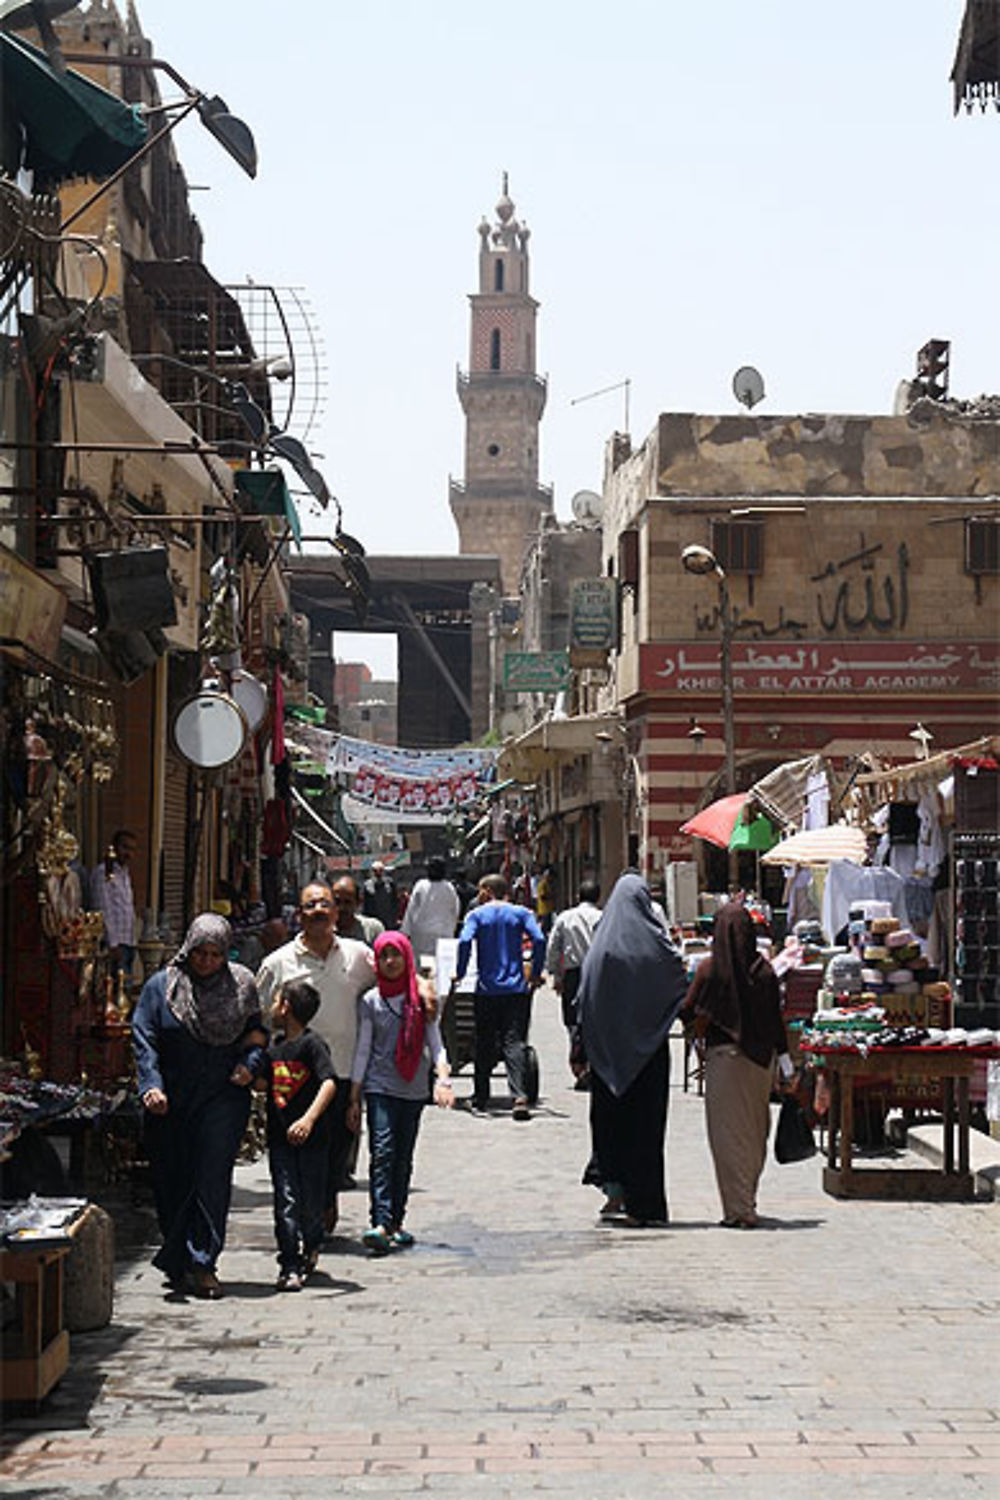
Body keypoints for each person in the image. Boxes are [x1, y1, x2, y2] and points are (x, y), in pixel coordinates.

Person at [132, 914, 266, 1298]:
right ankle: (178, 1259)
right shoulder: (162, 988)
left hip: (222, 1097)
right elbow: (145, 1039)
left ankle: (204, 1262)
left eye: (215, 955)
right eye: (200, 954)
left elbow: (257, 1035)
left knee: (211, 1177)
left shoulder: (242, 986)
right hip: (171, 1101)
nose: (207, 962)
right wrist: (151, 1086)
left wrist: (249, 1066)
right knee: (173, 1179)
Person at [256, 882, 375, 1237]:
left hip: (342, 1073)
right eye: (311, 905)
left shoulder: (358, 956)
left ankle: (324, 1203)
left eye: (326, 904)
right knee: (295, 1153)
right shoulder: (277, 964)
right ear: (300, 915)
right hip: (294, 1079)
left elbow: (392, 978)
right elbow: (258, 1016)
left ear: (337, 913)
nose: (319, 910)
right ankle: (301, 1226)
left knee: (336, 1152)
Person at [576, 871, 686, 1227]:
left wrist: (584, 1046)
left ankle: (616, 1192)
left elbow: (584, 1000)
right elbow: (677, 981)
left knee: (610, 1125)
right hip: (650, 1053)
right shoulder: (658, 947)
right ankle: (648, 1203)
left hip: (607, 1056)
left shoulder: (601, 947)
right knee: (647, 1128)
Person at [679, 902, 794, 1229]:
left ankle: (738, 1207)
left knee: (728, 1138)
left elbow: (686, 1012)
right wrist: (786, 1065)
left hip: (722, 1064)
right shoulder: (765, 972)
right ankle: (747, 1201)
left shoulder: (709, 971)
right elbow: (776, 1023)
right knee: (755, 1134)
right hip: (760, 1064)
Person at [348, 933, 453, 1254]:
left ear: (406, 958)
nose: (390, 962)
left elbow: (435, 1044)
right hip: (379, 1086)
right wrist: (354, 1095)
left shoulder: (422, 1000)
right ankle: (379, 1220)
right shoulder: (370, 1001)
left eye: (396, 955)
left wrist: (443, 1079)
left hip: (413, 1088)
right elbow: (363, 1050)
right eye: (384, 956)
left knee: (403, 1158)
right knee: (382, 1151)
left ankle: (396, 1221)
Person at [263, 978, 337, 1290]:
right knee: (286, 1200)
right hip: (280, 1139)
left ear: (285, 1007)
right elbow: (265, 1084)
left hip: (313, 1141)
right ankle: (289, 1262)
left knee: (310, 1202)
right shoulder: (274, 1047)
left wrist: (309, 1119)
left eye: (276, 1000)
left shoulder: (312, 1044)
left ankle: (312, 1245)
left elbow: (329, 1082)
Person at [453, 873, 545, 1120]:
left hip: (486, 990)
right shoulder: (521, 914)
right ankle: (519, 1096)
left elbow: (463, 941)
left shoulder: (476, 915)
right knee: (514, 1042)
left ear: (486, 890)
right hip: (515, 990)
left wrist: (460, 972)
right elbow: (539, 938)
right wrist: (535, 973)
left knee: (484, 1041)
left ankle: (481, 1097)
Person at [545, 879, 602, 1084]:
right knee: (596, 1020)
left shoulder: (565, 917)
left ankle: (579, 1063)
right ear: (598, 897)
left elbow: (553, 947)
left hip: (573, 975)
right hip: (598, 975)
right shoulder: (604, 917)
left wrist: (555, 975)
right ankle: (592, 1065)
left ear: (578, 897)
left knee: (572, 1021)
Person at [91, 829, 138, 981]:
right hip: (114, 944)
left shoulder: (125, 875)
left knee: (126, 987)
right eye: (125, 847)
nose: (128, 853)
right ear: (115, 848)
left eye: (132, 849)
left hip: (128, 941)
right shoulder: (103, 873)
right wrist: (112, 942)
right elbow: (103, 908)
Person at [402, 856, 460, 972]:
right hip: (443, 933)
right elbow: (455, 910)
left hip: (421, 934)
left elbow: (411, 909)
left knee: (422, 967)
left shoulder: (420, 885)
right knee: (441, 965)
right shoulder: (449, 888)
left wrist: (405, 932)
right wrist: (452, 929)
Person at [333, 874, 384, 947]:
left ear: (358, 903)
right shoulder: (324, 932)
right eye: (337, 902)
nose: (341, 908)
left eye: (347, 902)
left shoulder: (372, 929)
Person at [363, 861, 399, 929]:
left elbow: (395, 901)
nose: (378, 873)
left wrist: (396, 917)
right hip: (374, 921)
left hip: (389, 921)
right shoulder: (367, 885)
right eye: (375, 871)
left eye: (380, 870)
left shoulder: (390, 884)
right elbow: (365, 905)